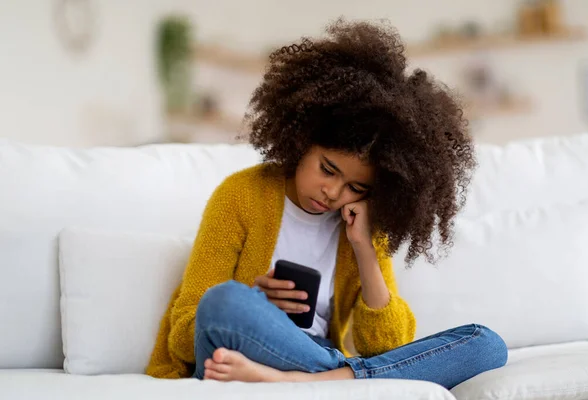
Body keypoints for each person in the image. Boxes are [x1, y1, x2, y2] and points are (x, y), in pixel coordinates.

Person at [146, 18, 507, 389]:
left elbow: (388, 345)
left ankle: (302, 380)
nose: (334, 193)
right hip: (236, 349)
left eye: (355, 186)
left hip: (309, 355)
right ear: (301, 142)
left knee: (486, 345)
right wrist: (257, 300)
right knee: (223, 301)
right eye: (327, 169)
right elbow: (187, 331)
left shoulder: (361, 223)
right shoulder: (240, 196)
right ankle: (336, 381)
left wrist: (365, 250)